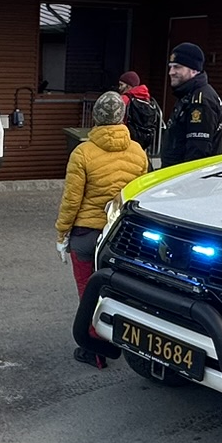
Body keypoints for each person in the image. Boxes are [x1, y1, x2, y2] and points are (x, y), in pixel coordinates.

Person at [57, 91, 148, 368]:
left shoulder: (83, 152)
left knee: (88, 291)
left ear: (95, 117)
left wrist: (62, 233)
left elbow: (72, 200)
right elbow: (141, 195)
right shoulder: (138, 151)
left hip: (87, 234)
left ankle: (95, 350)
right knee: (119, 291)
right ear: (122, 117)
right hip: (121, 236)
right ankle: (123, 338)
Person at [163, 42, 222, 166]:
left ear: (194, 70)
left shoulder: (201, 101)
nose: (171, 72)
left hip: (183, 175)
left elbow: (197, 153)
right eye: (171, 67)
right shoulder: (187, 95)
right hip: (175, 172)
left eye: (177, 67)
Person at [117, 71, 160, 159]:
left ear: (128, 86)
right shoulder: (146, 99)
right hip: (143, 142)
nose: (119, 88)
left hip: (127, 140)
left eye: (121, 85)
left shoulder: (125, 99)